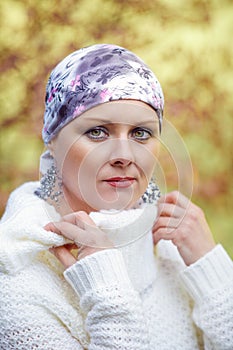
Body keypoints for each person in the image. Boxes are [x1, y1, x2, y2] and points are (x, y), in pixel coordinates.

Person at [0, 44, 232, 350]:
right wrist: (107, 290)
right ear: (53, 140)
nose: (124, 156)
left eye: (141, 133)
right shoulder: (18, 281)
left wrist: (212, 270)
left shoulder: (172, 250)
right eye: (97, 132)